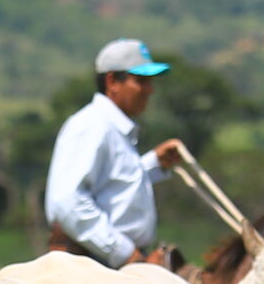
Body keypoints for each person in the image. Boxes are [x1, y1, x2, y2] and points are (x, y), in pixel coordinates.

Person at [44, 39, 189, 267]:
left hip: (110, 261)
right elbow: (68, 202)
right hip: (94, 265)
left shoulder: (112, 128)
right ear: (112, 81)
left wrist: (154, 164)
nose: (150, 90)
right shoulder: (92, 126)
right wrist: (125, 253)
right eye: (141, 81)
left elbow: (112, 185)